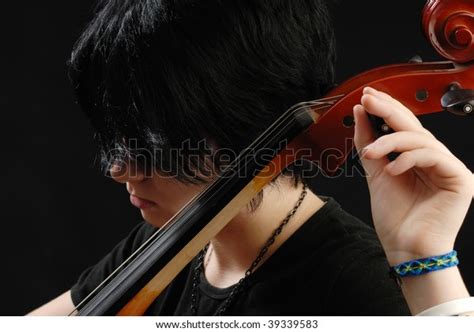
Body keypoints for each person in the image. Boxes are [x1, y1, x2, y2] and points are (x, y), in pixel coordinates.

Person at [28, 0, 473, 316]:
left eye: (153, 137)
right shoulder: (163, 246)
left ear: (247, 121)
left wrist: (424, 259)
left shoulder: (359, 288)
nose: (118, 167)